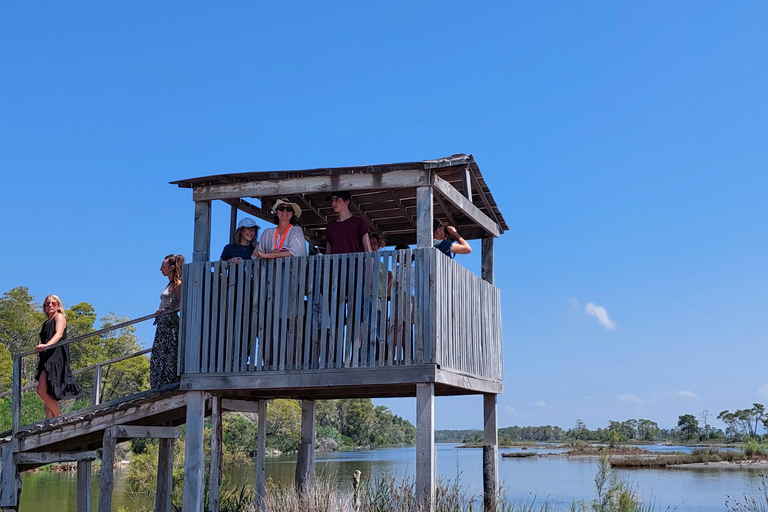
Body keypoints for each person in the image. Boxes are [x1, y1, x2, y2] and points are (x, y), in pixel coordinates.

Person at [36, 294, 82, 419]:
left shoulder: (59, 317)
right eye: (47, 303)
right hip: (46, 357)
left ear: (58, 306)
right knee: (48, 391)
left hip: (55, 356)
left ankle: (58, 417)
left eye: (53, 303)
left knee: (41, 390)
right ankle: (49, 420)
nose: (50, 305)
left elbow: (59, 334)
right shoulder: (46, 323)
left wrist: (46, 345)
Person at [150, 254, 184, 388]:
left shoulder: (177, 284)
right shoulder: (169, 284)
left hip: (170, 323)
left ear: (172, 267)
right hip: (163, 322)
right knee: (159, 354)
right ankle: (158, 382)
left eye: (163, 266)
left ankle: (167, 381)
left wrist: (168, 310)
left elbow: (181, 304)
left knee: (168, 353)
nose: (161, 268)